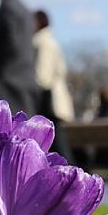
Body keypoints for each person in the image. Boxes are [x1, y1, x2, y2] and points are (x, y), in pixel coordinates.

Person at [33, 9, 74, 162]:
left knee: (59, 144)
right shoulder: (48, 40)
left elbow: (43, 76)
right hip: (53, 100)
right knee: (58, 143)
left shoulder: (44, 42)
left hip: (50, 101)